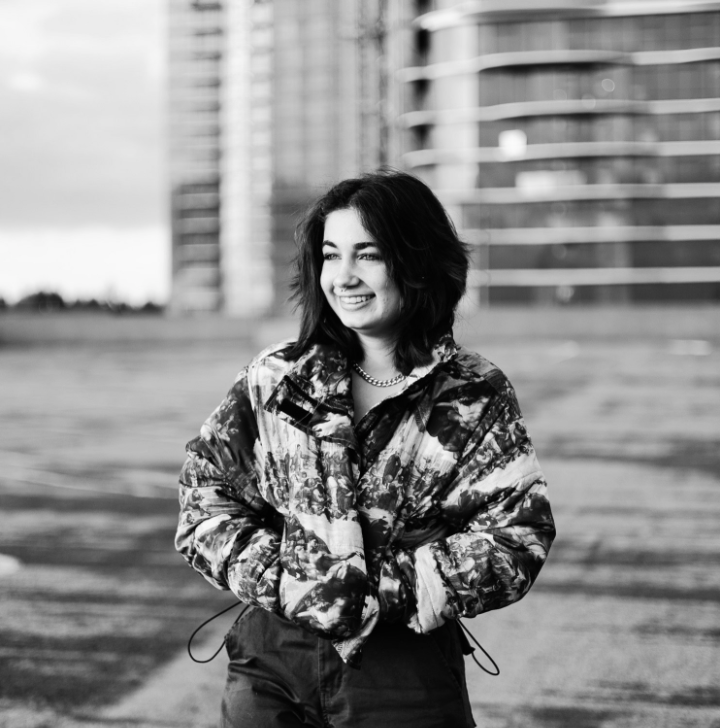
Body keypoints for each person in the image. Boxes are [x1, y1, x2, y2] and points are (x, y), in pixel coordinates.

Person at [175, 170, 556, 728]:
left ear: (417, 261)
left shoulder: (472, 392)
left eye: (368, 255)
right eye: (331, 255)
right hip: (271, 663)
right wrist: (289, 580)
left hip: (404, 672)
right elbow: (204, 497)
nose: (344, 276)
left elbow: (518, 535)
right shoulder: (277, 377)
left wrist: (381, 589)